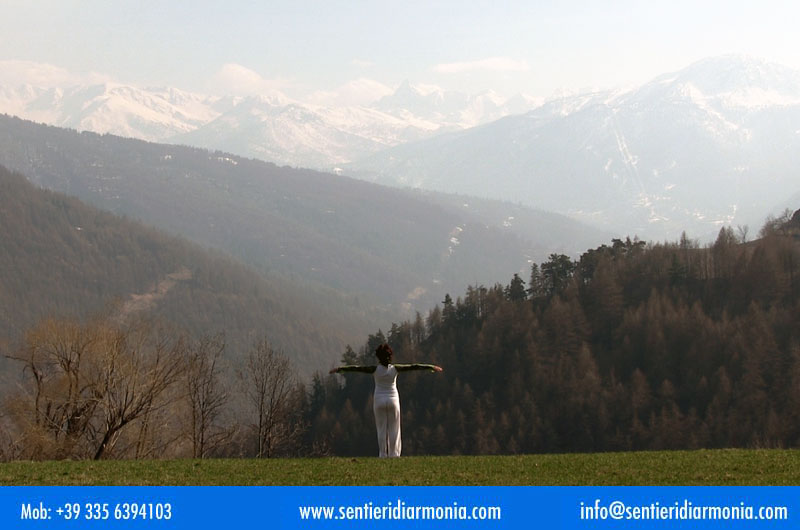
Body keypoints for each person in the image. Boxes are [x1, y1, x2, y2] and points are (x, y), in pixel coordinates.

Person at [329, 343, 443, 458]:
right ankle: (394, 454)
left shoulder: (374, 369)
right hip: (393, 400)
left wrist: (339, 369)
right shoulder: (395, 369)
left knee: (381, 429)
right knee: (394, 428)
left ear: (379, 357)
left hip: (379, 401)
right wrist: (431, 367)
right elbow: (414, 366)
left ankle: (383, 454)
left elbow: (357, 368)